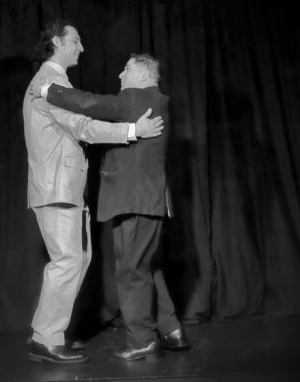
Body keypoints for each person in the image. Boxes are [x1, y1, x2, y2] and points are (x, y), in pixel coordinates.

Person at [33, 53, 190, 361]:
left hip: (134, 199)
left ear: (143, 75)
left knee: (131, 270)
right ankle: (171, 328)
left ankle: (143, 340)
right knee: (145, 265)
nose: (120, 75)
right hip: (149, 200)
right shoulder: (155, 100)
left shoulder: (137, 98)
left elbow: (90, 103)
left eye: (127, 69)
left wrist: (48, 90)